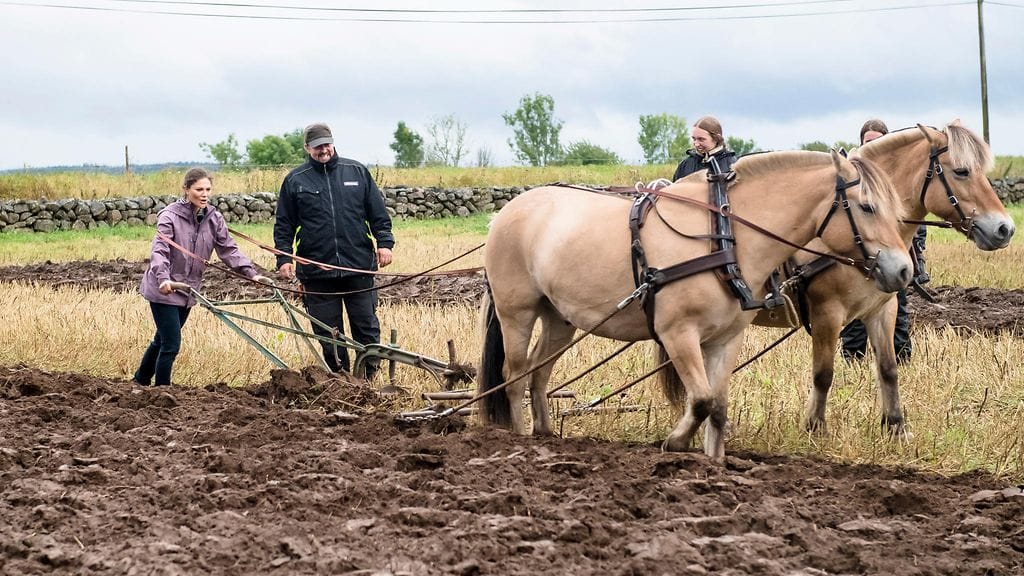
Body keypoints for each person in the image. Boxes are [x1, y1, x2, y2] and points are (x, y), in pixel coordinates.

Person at [273, 122, 395, 379]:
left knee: (366, 327)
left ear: (333, 142)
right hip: (317, 273)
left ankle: (369, 378)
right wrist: (283, 257)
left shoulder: (357, 171)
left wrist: (384, 243)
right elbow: (284, 224)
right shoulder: (295, 180)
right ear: (307, 148)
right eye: (317, 147)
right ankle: (340, 379)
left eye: (327, 144)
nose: (324, 150)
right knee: (328, 334)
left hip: (357, 267)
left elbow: (378, 214)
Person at [133, 168, 268, 386]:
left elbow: (229, 250)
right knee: (171, 344)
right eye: (199, 189)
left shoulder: (213, 218)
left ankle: (140, 380)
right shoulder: (169, 217)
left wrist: (252, 274)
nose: (204, 194)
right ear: (186, 189)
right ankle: (163, 390)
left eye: (207, 189)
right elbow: (160, 251)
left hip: (188, 290)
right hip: (165, 288)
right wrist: (163, 279)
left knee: (161, 339)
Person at [840, 119, 928, 364]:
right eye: (869, 141)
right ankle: (853, 359)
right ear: (861, 143)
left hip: (890, 256)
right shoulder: (852, 175)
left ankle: (901, 358)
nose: (874, 145)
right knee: (855, 313)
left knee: (896, 308)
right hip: (858, 257)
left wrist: (915, 256)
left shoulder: (895, 179)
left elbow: (912, 220)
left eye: (879, 141)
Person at [671, 115, 737, 181]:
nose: (696, 144)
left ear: (716, 139)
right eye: (694, 139)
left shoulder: (733, 165)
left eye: (701, 139)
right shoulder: (685, 165)